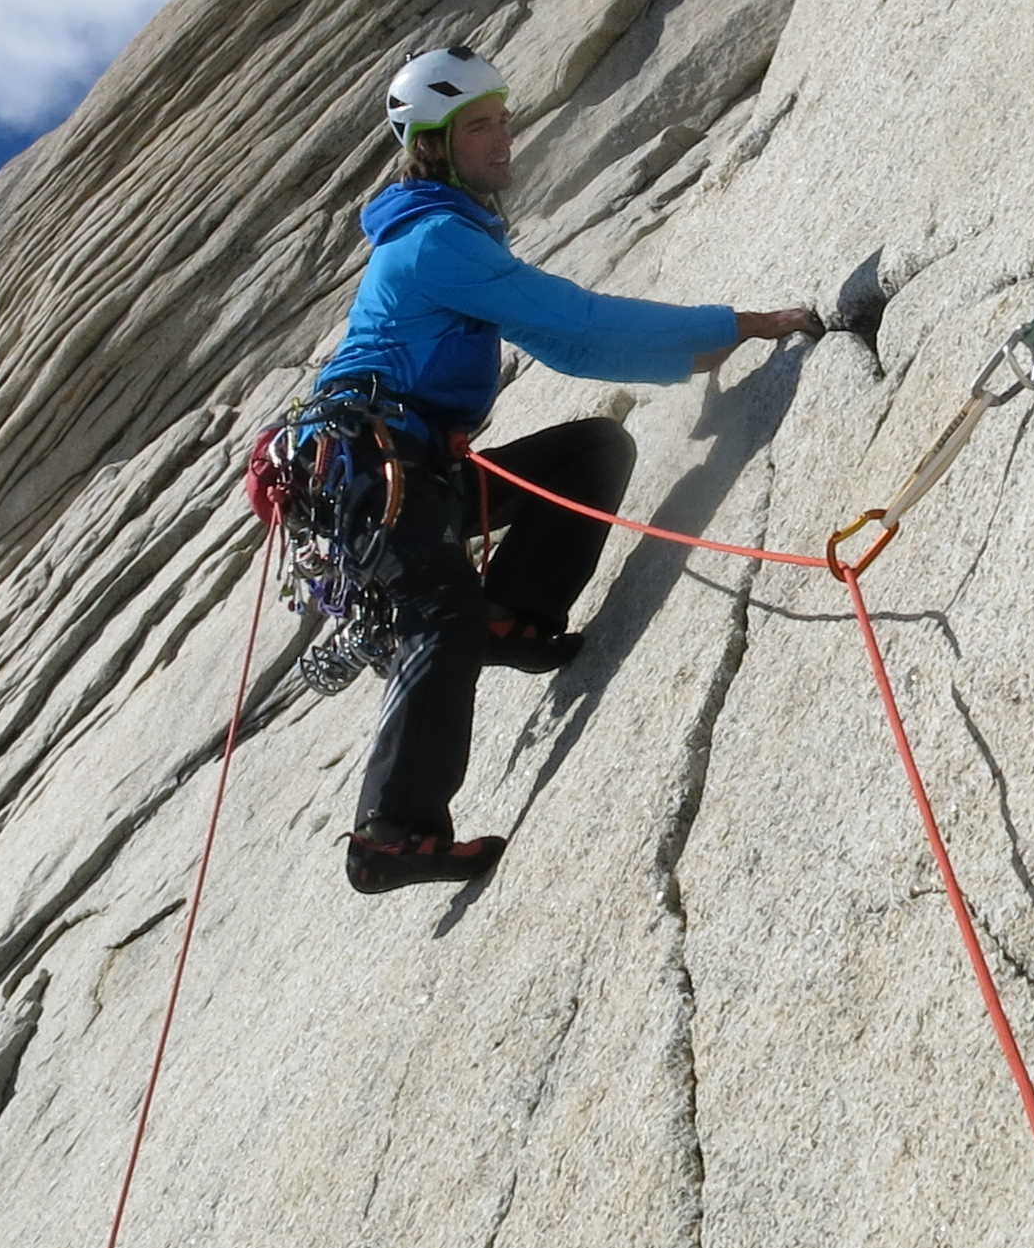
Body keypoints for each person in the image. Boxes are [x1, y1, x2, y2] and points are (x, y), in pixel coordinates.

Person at [318, 46, 824, 894]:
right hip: (376, 477)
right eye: (479, 125)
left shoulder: (444, 232)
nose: (503, 136)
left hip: (420, 477)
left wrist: (690, 352)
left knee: (594, 450)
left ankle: (512, 619)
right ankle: (390, 838)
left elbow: (557, 343)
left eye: (504, 115)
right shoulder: (436, 241)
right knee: (438, 611)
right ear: (434, 147)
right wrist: (739, 324)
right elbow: (577, 324)